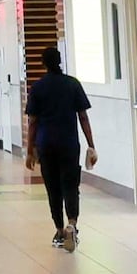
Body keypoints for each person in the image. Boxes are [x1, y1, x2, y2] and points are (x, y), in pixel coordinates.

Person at [21, 40, 96, 248]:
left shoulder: (38, 87)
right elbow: (83, 117)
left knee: (53, 189)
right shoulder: (73, 84)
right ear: (60, 61)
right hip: (69, 144)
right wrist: (91, 144)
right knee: (71, 185)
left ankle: (59, 230)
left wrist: (30, 151)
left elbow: (33, 122)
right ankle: (72, 224)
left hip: (47, 145)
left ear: (43, 64)